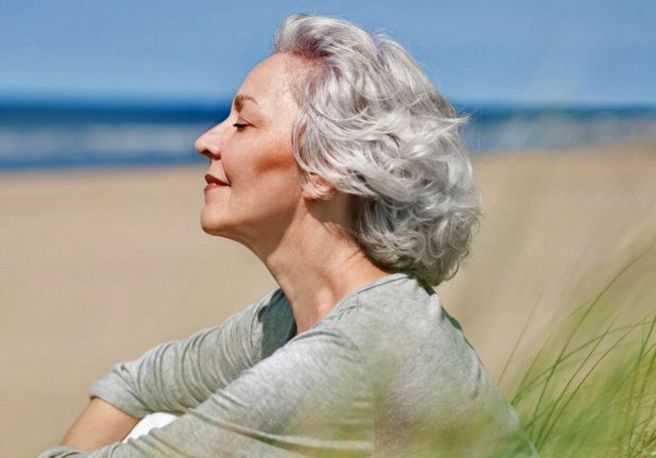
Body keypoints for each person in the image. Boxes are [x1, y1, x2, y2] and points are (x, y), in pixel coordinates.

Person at [38, 14, 538, 457]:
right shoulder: (297, 318)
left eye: (243, 123)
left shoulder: (350, 357)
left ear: (324, 170)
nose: (206, 141)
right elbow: (136, 382)